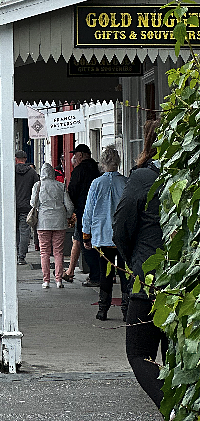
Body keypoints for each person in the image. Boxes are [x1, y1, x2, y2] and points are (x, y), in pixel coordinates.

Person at [113, 120, 167, 411]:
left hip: (148, 278)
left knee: (139, 353)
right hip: (186, 280)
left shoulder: (144, 178)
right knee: (178, 355)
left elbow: (121, 226)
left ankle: (172, 409)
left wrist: (132, 258)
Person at [82, 145, 129, 320]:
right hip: (122, 235)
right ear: (118, 162)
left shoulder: (96, 183)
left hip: (102, 234)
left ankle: (103, 309)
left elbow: (88, 211)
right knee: (124, 271)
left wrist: (86, 235)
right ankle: (126, 308)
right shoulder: (125, 182)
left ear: (103, 163)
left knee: (105, 273)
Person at [31, 162, 74, 288]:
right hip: (59, 222)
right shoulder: (61, 186)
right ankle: (59, 280)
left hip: (43, 222)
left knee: (44, 252)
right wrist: (66, 215)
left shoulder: (38, 186)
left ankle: (46, 280)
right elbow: (69, 206)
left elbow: (33, 203)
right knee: (58, 252)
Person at [65, 143, 101, 285]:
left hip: (83, 210)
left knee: (86, 242)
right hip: (99, 211)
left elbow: (72, 191)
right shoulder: (97, 169)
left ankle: (95, 276)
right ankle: (104, 273)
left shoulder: (79, 170)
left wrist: (72, 209)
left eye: (75, 155)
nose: (74, 157)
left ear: (80, 155)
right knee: (99, 242)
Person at [15, 150, 40, 265]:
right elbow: (37, 187)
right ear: (25, 159)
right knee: (24, 231)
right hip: (26, 206)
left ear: (16, 159)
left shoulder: (11, 171)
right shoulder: (32, 172)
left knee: (13, 231)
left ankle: (14, 253)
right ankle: (21, 256)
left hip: (13, 206)